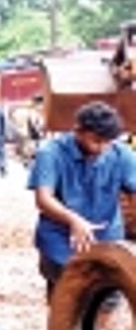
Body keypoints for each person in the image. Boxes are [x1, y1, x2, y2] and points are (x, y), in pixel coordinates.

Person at [27, 100, 136, 298]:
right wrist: (74, 220)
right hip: (60, 239)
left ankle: (95, 327)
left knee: (108, 297)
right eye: (96, 141)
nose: (102, 148)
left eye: (108, 142)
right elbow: (43, 199)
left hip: (108, 238)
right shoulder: (51, 153)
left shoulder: (122, 155)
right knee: (68, 293)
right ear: (78, 131)